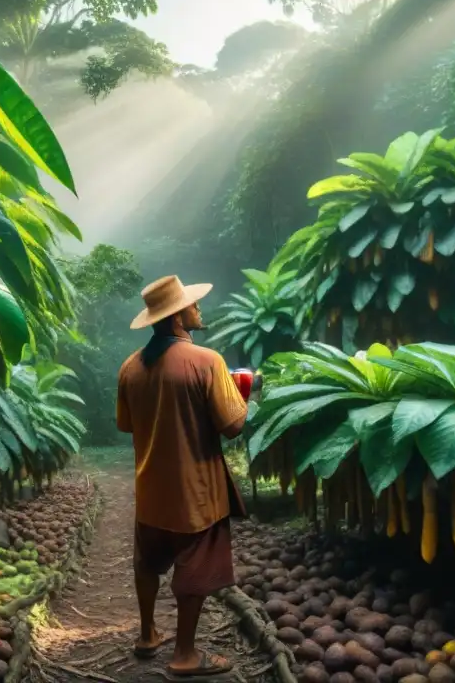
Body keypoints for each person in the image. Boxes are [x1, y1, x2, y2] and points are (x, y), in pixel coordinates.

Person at [116, 275, 252, 677]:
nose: (198, 309)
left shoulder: (129, 367)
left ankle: (146, 635)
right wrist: (244, 392)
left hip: (151, 490)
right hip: (197, 496)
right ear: (177, 318)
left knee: (147, 563)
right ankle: (185, 655)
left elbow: (127, 425)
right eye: (193, 305)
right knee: (193, 569)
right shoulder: (208, 361)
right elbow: (232, 426)